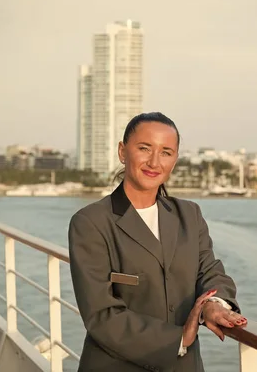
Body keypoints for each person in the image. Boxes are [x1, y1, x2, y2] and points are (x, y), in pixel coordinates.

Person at [68, 112, 246, 372]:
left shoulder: (189, 215)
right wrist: (179, 338)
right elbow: (100, 315)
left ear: (174, 160)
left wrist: (213, 304)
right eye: (144, 148)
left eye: (166, 152)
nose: (154, 162)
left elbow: (210, 271)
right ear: (122, 151)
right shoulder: (90, 222)